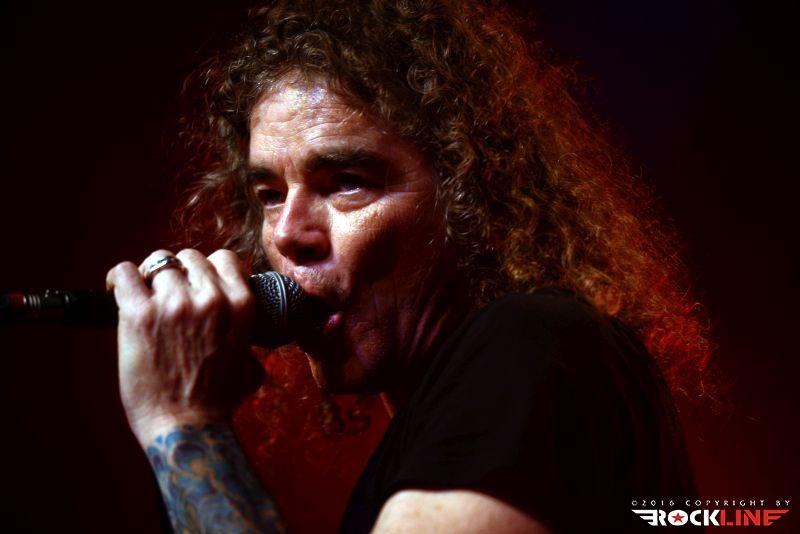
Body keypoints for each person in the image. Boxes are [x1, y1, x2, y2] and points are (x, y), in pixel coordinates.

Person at [105, 0, 711, 532]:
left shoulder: (531, 344)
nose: (286, 234)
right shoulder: (455, 404)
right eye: (268, 194)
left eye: (347, 182)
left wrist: (183, 422)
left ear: (471, 198)